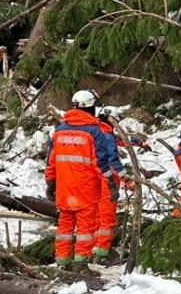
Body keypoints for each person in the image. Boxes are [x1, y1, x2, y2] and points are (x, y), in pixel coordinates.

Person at [45, 90, 123, 271]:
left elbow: (51, 161)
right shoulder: (94, 132)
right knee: (85, 227)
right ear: (91, 107)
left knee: (64, 225)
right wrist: (111, 183)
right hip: (86, 188)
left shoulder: (59, 131)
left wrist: (50, 183)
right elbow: (101, 162)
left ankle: (62, 261)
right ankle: (80, 263)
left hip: (65, 189)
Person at [93, 106, 130, 262]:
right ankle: (102, 252)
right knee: (107, 216)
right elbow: (114, 162)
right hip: (108, 179)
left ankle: (91, 248)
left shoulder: (94, 131)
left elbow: (120, 139)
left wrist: (138, 142)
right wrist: (127, 180)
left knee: (94, 215)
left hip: (92, 177)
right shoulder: (107, 136)